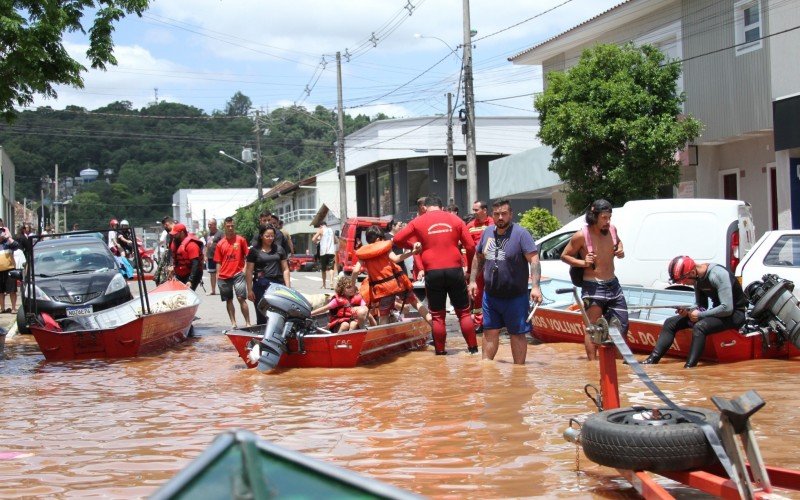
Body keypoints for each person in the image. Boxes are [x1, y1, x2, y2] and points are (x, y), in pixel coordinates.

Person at [394, 195, 478, 355]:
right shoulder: (455, 220)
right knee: (464, 312)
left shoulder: (418, 221)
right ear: (442, 207)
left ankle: (440, 352)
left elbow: (397, 239)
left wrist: (413, 246)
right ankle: (473, 349)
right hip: (455, 270)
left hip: (432, 272)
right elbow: (470, 246)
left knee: (438, 316)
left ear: (425, 207)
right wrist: (468, 269)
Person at [468, 200, 542, 364]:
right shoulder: (487, 232)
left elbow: (534, 260)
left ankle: (519, 372)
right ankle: (486, 370)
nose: (500, 217)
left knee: (517, 333)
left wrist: (536, 287)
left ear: (510, 214)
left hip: (516, 296)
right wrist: (472, 280)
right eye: (496, 214)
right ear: (492, 215)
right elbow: (478, 257)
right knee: (489, 331)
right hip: (491, 295)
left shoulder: (521, 234)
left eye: (504, 214)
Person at [642, 255, 748, 368]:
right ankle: (651, 360)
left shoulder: (717, 275)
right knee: (670, 323)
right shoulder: (697, 279)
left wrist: (700, 315)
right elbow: (701, 305)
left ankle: (689, 367)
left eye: (683, 281)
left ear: (692, 273)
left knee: (700, 326)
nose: (683, 284)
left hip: (735, 315)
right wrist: (688, 311)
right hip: (718, 313)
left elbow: (727, 308)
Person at [561, 199, 628, 361]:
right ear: (594, 217)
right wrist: (583, 263)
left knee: (622, 325)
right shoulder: (581, 235)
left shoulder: (612, 230)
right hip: (593, 287)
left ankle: (619, 366)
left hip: (613, 285)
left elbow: (619, 243)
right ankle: (592, 365)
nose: (607, 222)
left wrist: (620, 249)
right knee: (593, 328)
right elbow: (564, 256)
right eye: (604, 218)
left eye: (609, 218)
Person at [353, 225, 430, 325]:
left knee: (383, 315)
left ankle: (383, 338)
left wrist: (352, 284)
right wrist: (412, 253)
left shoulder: (364, 253)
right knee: (416, 303)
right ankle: (433, 324)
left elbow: (355, 271)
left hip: (383, 289)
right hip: (397, 284)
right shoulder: (385, 248)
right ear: (378, 239)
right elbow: (396, 259)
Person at [245, 224, 290, 325]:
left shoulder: (279, 249)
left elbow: (285, 269)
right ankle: (262, 336)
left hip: (277, 285)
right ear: (261, 236)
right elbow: (249, 271)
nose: (270, 238)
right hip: (261, 286)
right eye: (267, 236)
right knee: (262, 316)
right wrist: (249, 290)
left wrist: (288, 287)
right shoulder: (254, 251)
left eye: (272, 236)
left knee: (279, 314)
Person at [214, 217, 251, 329]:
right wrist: (217, 276)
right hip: (224, 276)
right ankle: (233, 323)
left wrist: (244, 269)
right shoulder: (220, 243)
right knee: (228, 299)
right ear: (224, 227)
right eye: (228, 226)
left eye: (232, 226)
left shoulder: (241, 240)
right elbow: (218, 262)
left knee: (241, 298)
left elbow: (248, 256)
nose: (230, 228)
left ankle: (248, 322)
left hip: (238, 274)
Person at [466, 200, 494, 334]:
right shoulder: (470, 226)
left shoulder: (494, 223)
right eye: (474, 210)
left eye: (476, 210)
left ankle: (493, 320)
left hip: (492, 263)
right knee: (477, 293)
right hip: (477, 264)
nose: (474, 212)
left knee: (493, 291)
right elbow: (467, 248)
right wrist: (467, 267)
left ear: (484, 210)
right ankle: (479, 322)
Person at [169, 223, 204, 290]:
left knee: (187, 294)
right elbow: (175, 258)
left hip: (192, 273)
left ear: (182, 233)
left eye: (176, 234)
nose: (174, 236)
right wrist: (172, 268)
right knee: (178, 294)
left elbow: (195, 264)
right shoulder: (176, 243)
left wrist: (190, 280)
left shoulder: (192, 245)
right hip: (181, 273)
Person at [0, 226, 21, 313]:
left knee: (12, 290)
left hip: (9, 269)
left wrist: (8, 237)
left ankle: (13, 308)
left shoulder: (8, 243)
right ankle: (2, 308)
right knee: (0, 291)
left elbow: (17, 246)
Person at [312, 220, 336, 289]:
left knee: (323, 269)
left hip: (323, 252)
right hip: (331, 251)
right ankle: (331, 282)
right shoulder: (331, 230)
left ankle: (324, 284)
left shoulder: (321, 230)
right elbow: (335, 241)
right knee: (331, 268)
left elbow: (313, 239)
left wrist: (318, 241)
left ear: (321, 226)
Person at [205, 219, 223, 295]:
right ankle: (213, 290)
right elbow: (206, 246)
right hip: (210, 257)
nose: (209, 226)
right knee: (212, 274)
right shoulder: (207, 234)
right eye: (208, 224)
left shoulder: (220, 233)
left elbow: (224, 244)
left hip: (219, 257)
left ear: (215, 225)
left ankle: (223, 290)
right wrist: (205, 255)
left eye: (210, 224)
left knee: (220, 274)